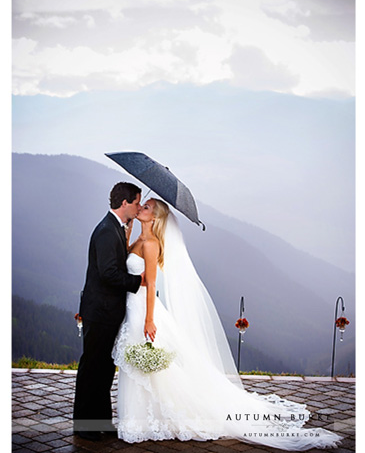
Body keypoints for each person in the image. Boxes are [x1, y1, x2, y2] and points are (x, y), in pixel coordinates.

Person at [112, 197, 342, 450]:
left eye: (146, 207)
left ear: (154, 217)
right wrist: (129, 233)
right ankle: (140, 418)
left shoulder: (152, 244)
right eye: (142, 205)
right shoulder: (139, 240)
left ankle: (155, 418)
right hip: (131, 308)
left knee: (152, 366)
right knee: (138, 366)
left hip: (143, 311)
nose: (141, 208)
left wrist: (149, 320)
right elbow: (126, 265)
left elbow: (152, 285)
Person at [73, 182, 144, 441]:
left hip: (106, 312)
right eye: (136, 202)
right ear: (124, 203)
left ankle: (101, 422)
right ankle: (85, 426)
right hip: (100, 311)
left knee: (103, 369)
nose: (138, 206)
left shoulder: (115, 227)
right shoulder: (106, 231)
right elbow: (108, 273)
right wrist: (139, 282)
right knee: (93, 368)